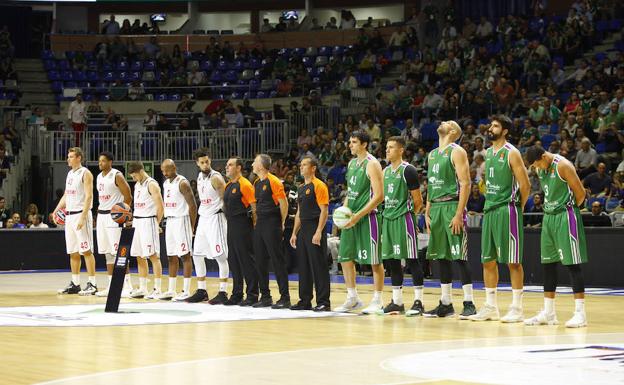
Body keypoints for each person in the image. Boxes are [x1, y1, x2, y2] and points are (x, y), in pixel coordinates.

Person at [469, 115, 530, 323]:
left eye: (495, 126)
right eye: (491, 125)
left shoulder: (512, 153)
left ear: (504, 131)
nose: (490, 128)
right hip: (490, 210)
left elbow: (525, 185)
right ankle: (491, 306)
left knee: (513, 261)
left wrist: (516, 208)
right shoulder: (488, 153)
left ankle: (517, 307)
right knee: (488, 260)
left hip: (507, 210)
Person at [525, 145, 589, 328]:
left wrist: (568, 210)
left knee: (572, 265)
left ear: (544, 157)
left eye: (537, 164)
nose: (536, 168)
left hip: (565, 217)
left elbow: (581, 194)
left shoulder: (563, 165)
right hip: (549, 218)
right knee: (548, 265)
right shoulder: (539, 167)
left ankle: (580, 314)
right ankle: (549, 312)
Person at [423, 121, 476, 319]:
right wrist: (427, 212)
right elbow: (430, 184)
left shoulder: (457, 151)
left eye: (447, 123)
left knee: (459, 256)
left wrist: (458, 213)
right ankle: (445, 303)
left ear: (453, 131)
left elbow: (465, 183)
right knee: (441, 257)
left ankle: (469, 302)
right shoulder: (432, 154)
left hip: (452, 206)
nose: (442, 123)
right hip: (435, 207)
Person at [334, 130, 385, 314]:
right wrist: (344, 213)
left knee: (374, 260)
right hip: (351, 218)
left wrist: (357, 216)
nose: (350, 145)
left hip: (368, 218)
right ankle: (353, 298)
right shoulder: (352, 163)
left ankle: (378, 300)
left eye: (354, 142)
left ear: (364, 144)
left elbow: (379, 196)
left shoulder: (372, 164)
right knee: (345, 257)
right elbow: (350, 192)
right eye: (350, 141)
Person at [380, 137, 425, 316]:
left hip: (403, 220)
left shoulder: (409, 170)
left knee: (412, 259)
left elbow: (418, 201)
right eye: (386, 147)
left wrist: (409, 218)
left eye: (391, 147)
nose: (387, 150)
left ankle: (418, 301)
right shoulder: (385, 172)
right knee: (392, 261)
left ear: (401, 150)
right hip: (388, 220)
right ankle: (397, 302)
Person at [186, 149, 230, 304]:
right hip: (203, 218)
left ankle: (223, 292)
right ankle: (201, 290)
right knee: (197, 254)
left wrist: (227, 218)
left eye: (207, 161)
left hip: (215, 218)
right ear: (197, 164)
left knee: (220, 256)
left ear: (210, 161)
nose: (205, 164)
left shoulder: (216, 178)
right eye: (202, 162)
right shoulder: (199, 176)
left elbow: (226, 200)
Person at [289, 156, 331, 311]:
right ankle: (304, 300)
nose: (301, 167)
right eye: (300, 165)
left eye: (305, 165)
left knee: (318, 266)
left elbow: (324, 210)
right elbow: (299, 212)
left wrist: (319, 231)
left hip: (315, 227)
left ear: (313, 168)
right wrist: (294, 233)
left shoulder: (319, 185)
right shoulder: (300, 188)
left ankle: (323, 302)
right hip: (303, 230)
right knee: (304, 266)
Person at [54, 147, 97, 295]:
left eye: (71, 156)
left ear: (79, 158)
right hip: (69, 216)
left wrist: (83, 217)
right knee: (73, 252)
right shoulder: (70, 174)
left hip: (81, 214)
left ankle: (92, 284)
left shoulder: (86, 173)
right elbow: (66, 195)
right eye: (68, 156)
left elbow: (89, 196)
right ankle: (76, 283)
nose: (68, 159)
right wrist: (56, 210)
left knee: (86, 250)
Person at [251, 154, 290, 309]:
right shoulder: (256, 182)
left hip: (272, 222)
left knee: (277, 260)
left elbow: (284, 203)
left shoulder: (273, 181)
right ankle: (265, 296)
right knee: (260, 260)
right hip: (260, 223)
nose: (253, 164)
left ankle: (285, 297)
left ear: (261, 165)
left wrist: (281, 223)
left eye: (255, 161)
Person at [94, 152, 133, 298]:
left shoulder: (117, 175)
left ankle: (127, 285)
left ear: (110, 162)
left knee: (119, 252)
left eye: (103, 161)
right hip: (102, 216)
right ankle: (112, 285)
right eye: (99, 161)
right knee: (107, 252)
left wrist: (123, 214)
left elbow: (128, 195)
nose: (100, 163)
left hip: (114, 217)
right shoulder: (98, 177)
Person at [222, 157, 259, 306]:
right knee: (234, 260)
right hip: (231, 224)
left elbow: (254, 207)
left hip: (243, 224)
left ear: (238, 168)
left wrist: (254, 226)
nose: (227, 167)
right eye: (227, 165)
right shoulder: (228, 185)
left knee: (246, 260)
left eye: (230, 165)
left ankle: (252, 294)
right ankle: (237, 293)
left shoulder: (245, 184)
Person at [159, 159, 197, 301]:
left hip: (182, 220)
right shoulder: (165, 183)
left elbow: (193, 206)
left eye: (167, 170)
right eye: (163, 170)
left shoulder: (183, 183)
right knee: (171, 256)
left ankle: (186, 290)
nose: (165, 173)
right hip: (170, 221)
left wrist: (191, 226)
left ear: (174, 168)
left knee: (185, 256)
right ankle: (171, 290)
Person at [127, 161, 164, 299]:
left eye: (134, 175)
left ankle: (158, 289)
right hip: (137, 221)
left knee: (153, 256)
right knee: (139, 255)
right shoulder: (137, 185)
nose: (133, 178)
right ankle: (143, 288)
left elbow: (160, 207)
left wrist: (156, 223)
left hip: (149, 221)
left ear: (140, 171)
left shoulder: (152, 184)